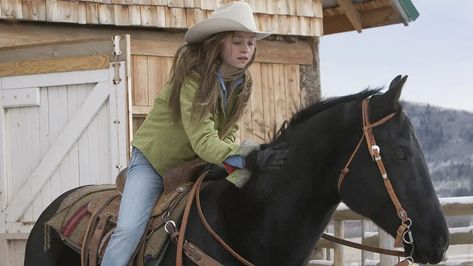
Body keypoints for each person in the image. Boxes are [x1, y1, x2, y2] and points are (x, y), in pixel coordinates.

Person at [101, 2, 288, 265]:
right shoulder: (193, 79)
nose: (246, 49)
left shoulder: (242, 82)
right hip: (156, 162)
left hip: (199, 162)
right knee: (129, 229)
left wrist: (246, 161)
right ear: (218, 44)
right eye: (238, 42)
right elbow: (203, 139)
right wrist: (246, 157)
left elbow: (230, 128)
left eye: (251, 43)